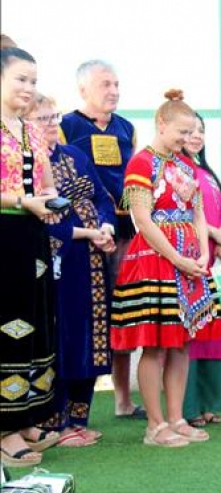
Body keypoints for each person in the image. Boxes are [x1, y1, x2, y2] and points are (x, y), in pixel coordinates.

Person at [110, 89, 221, 448]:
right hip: (155, 261)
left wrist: (204, 254)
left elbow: (199, 213)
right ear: (161, 124)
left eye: (191, 132)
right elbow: (142, 220)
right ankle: (155, 426)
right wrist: (178, 258)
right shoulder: (141, 163)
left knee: (181, 344)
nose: (188, 138)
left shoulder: (187, 166)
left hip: (189, 261)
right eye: (181, 132)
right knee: (154, 345)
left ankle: (176, 417)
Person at [26, 93, 116, 447]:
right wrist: (88, 233)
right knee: (60, 337)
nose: (52, 125)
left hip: (93, 261)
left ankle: (79, 418)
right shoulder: (30, 165)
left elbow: (102, 197)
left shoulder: (76, 155)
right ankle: (56, 424)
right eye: (43, 119)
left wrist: (106, 228)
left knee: (92, 336)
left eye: (54, 117)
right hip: (57, 262)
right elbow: (43, 221)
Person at [59, 60, 142, 420]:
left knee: (122, 312)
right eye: (105, 84)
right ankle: (70, 410)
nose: (113, 90)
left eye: (117, 83)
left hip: (125, 232)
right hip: (82, 236)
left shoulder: (127, 128)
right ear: (83, 90)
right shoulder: (66, 126)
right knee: (88, 317)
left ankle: (123, 400)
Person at [0, 46, 61, 468]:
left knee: (35, 323)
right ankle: (3, 430)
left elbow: (47, 181)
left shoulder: (32, 131)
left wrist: (51, 201)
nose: (28, 88)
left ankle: (26, 418)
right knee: (6, 325)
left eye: (33, 81)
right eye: (21, 79)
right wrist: (24, 201)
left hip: (33, 235)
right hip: (3, 235)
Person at [183, 113, 221, 427]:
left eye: (200, 130)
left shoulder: (207, 172)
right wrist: (214, 234)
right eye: (188, 131)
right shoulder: (177, 170)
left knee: (217, 334)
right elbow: (179, 212)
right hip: (191, 257)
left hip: (214, 260)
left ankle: (211, 403)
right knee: (195, 331)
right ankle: (190, 407)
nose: (196, 136)